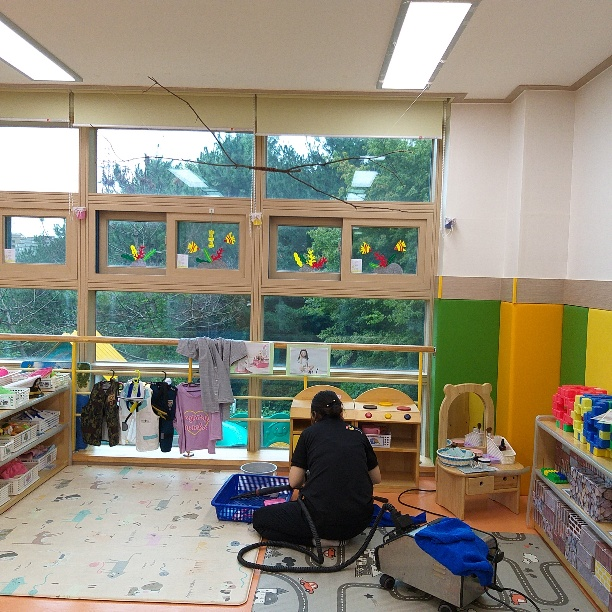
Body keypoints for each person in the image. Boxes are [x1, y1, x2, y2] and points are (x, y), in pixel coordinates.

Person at [252, 390, 381, 545]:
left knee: (259, 519)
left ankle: (316, 541)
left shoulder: (308, 434)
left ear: (314, 415)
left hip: (320, 521)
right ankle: (331, 538)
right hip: (359, 522)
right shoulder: (358, 433)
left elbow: (294, 482)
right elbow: (376, 478)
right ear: (341, 412)